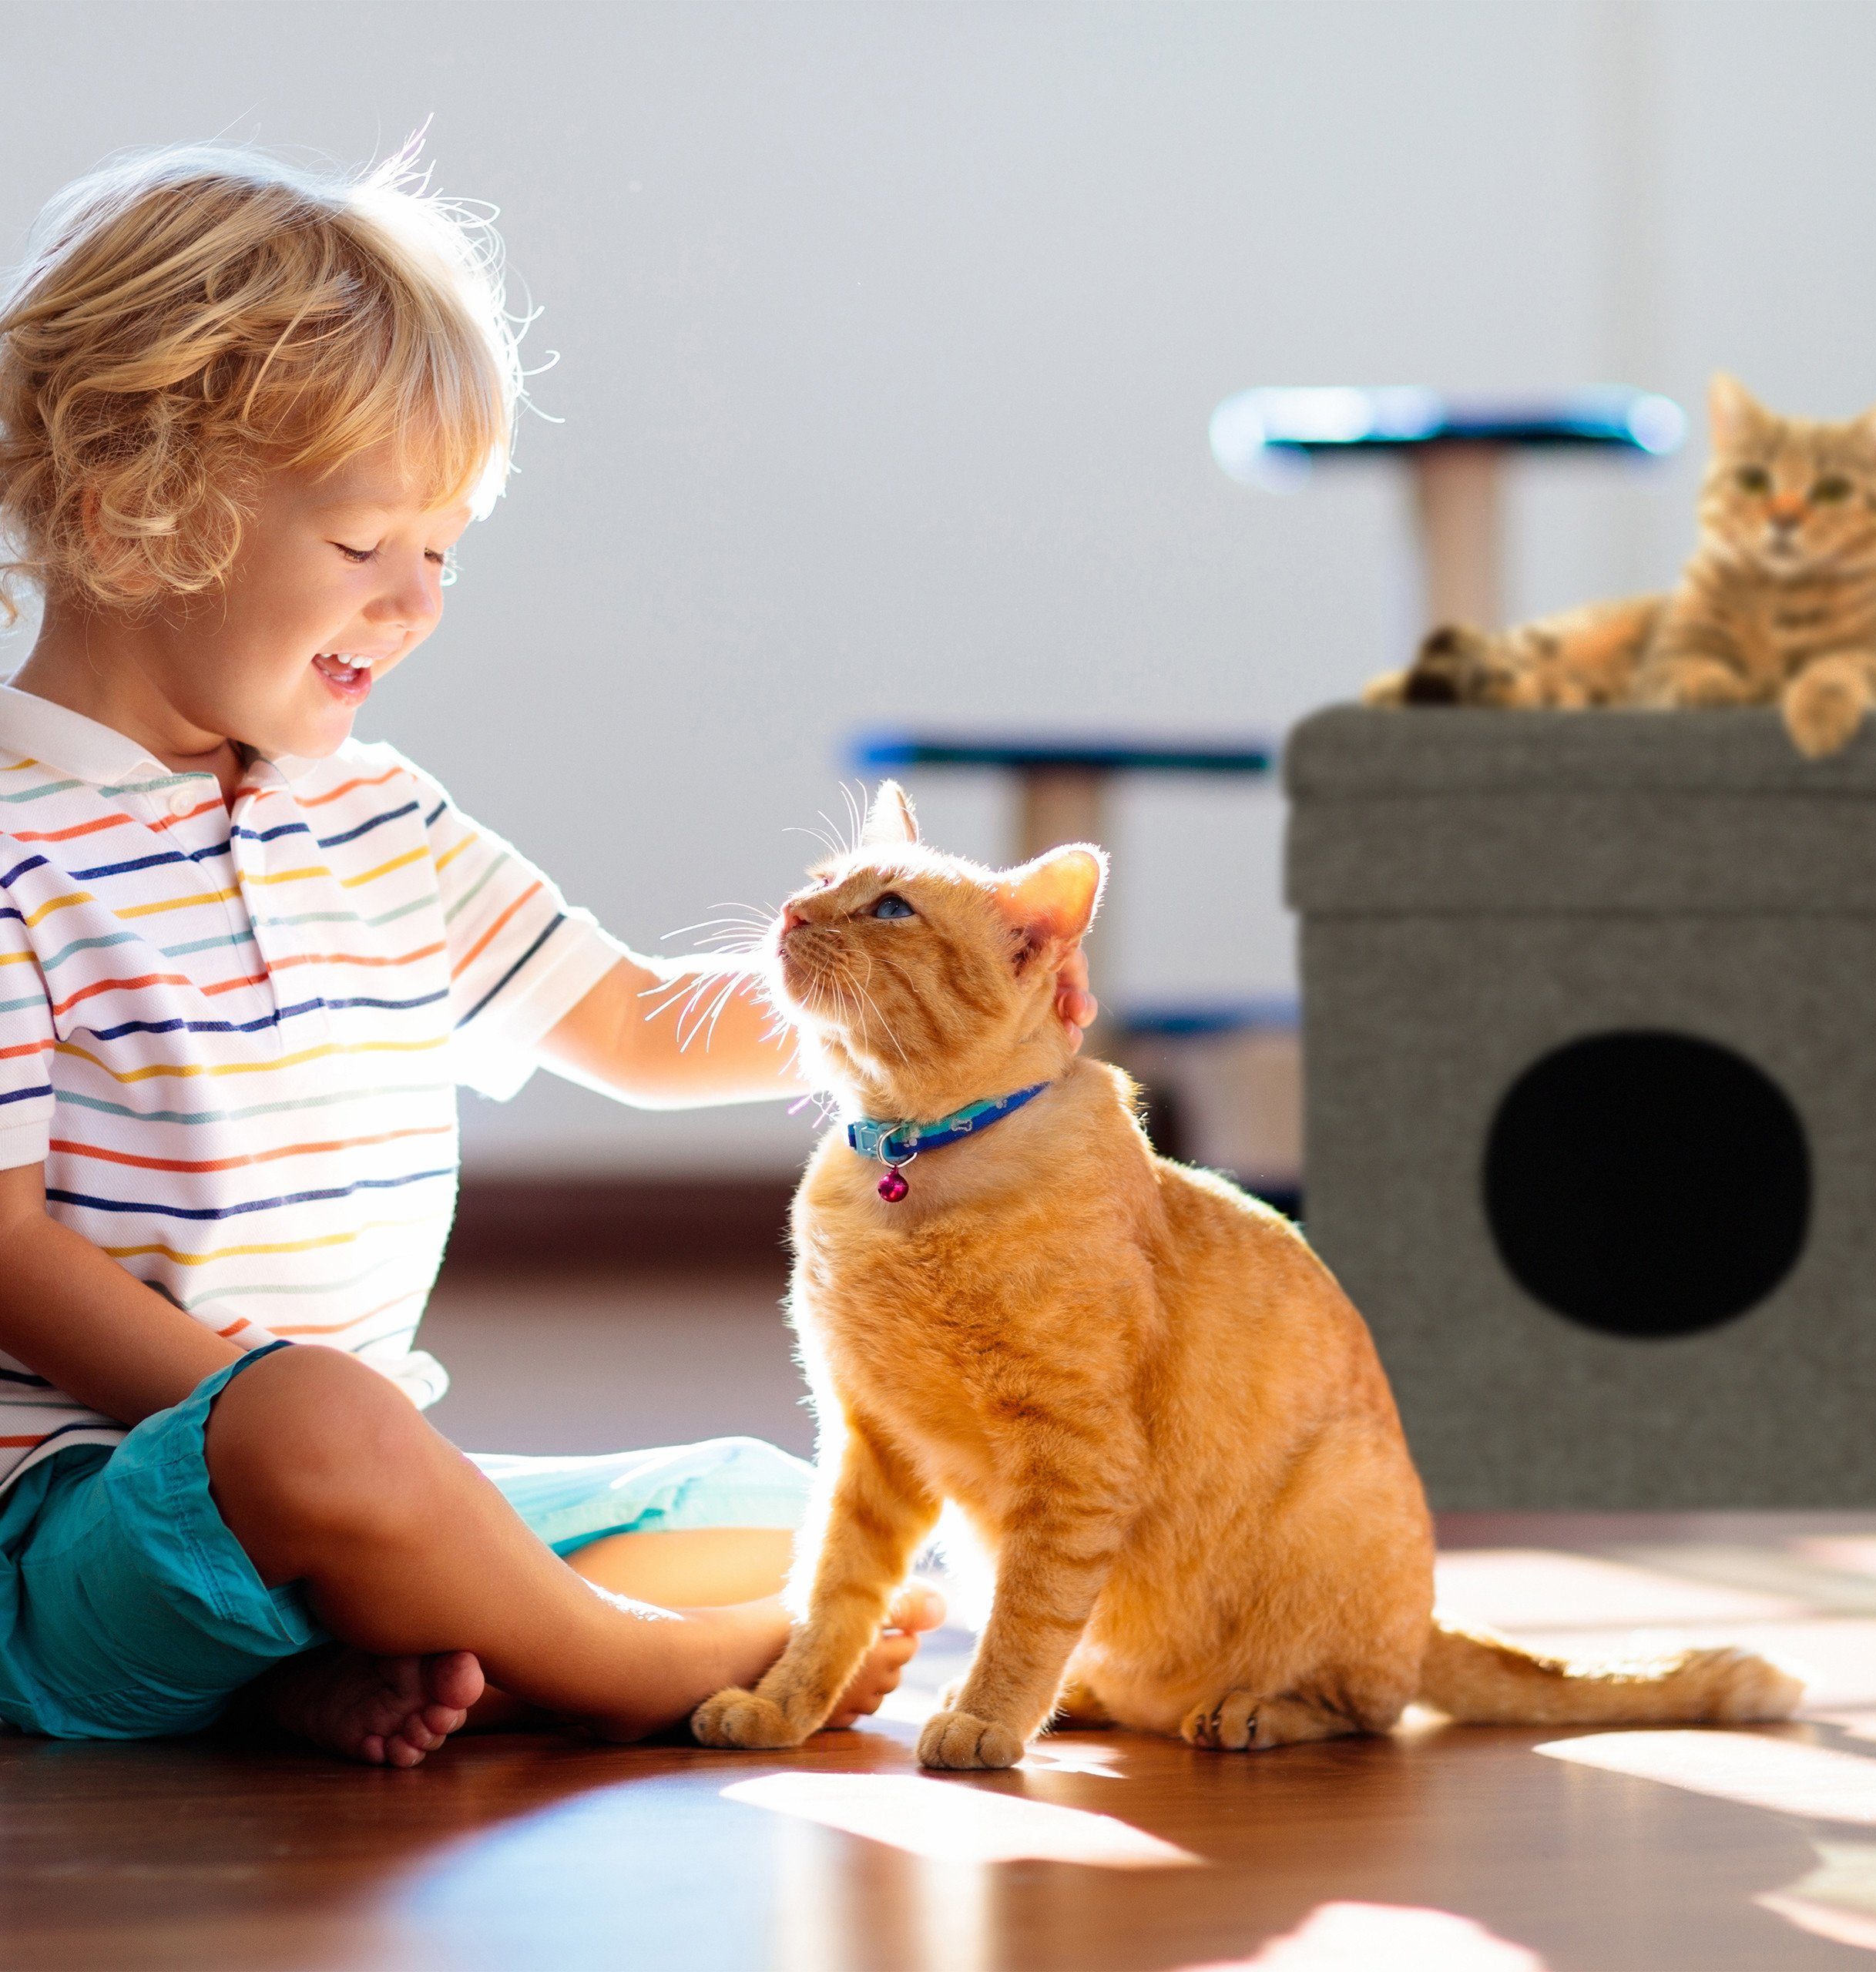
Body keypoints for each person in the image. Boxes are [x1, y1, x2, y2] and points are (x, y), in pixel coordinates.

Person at [0, 143, 1096, 1766]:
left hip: (358, 1492)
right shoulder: (19, 846)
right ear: (136, 515)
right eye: (369, 544)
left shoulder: (373, 813)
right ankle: (609, 1661)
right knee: (312, 1426)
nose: (421, 601)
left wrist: (944, 1014)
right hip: (84, 1521)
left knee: (768, 1501)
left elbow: (644, 1025)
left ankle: (384, 1654)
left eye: (445, 548)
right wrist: (286, 1418)